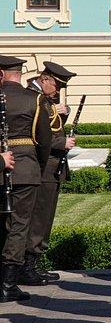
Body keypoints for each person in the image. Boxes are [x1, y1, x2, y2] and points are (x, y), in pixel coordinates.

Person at [0, 55, 54, 303]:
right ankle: (8, 283)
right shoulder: (35, 99)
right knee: (19, 225)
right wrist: (36, 166)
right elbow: (44, 141)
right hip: (25, 168)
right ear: (18, 74)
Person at [23, 61, 77, 286]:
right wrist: (61, 142)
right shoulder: (33, 98)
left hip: (52, 167)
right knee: (39, 218)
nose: (58, 91)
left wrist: (60, 114)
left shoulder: (45, 99)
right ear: (45, 79)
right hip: (43, 166)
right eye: (56, 85)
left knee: (45, 218)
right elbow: (35, 135)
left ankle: (34, 263)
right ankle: (27, 266)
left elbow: (51, 125)